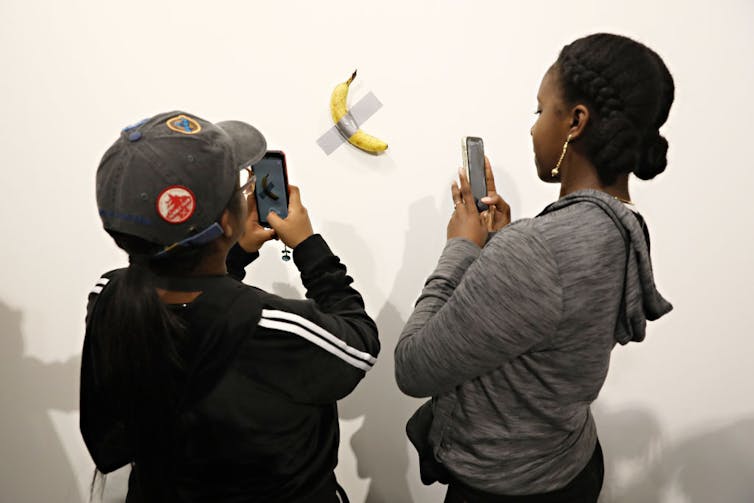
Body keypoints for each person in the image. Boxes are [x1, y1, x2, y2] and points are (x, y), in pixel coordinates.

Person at [394, 33, 674, 502]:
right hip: (571, 463)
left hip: (506, 488)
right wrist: (503, 243)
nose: (532, 128)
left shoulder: (536, 250)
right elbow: (550, 328)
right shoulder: (623, 226)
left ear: (575, 122)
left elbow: (414, 367)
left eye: (540, 111)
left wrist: (461, 249)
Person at [80, 111, 379, 502]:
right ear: (226, 221)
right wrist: (309, 247)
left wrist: (231, 255)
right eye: (239, 186)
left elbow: (187, 307)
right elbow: (358, 345)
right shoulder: (270, 328)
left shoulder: (109, 297)